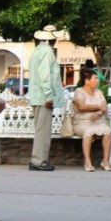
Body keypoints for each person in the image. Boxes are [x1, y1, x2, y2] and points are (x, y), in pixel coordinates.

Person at [27, 24, 66, 172]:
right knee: (43, 131)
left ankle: (37, 160)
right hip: (44, 98)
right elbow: (45, 76)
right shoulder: (47, 51)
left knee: (40, 130)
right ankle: (39, 161)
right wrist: (49, 96)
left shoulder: (37, 51)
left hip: (37, 96)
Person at [73, 67, 111, 172]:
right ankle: (87, 161)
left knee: (107, 131)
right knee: (89, 132)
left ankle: (105, 161)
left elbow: (104, 106)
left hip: (98, 121)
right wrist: (98, 107)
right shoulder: (79, 91)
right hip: (81, 123)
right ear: (87, 81)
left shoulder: (99, 92)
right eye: (95, 78)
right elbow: (81, 107)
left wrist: (100, 112)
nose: (97, 80)